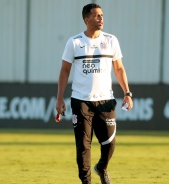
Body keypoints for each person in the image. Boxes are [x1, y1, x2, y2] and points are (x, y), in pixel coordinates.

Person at [56, 3, 133, 184]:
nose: (101, 18)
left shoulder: (111, 40)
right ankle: (86, 181)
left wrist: (127, 93)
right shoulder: (74, 42)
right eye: (97, 15)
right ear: (86, 19)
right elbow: (64, 71)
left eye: (102, 15)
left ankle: (102, 168)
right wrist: (59, 98)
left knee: (109, 144)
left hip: (106, 101)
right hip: (81, 101)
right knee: (83, 145)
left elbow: (119, 68)